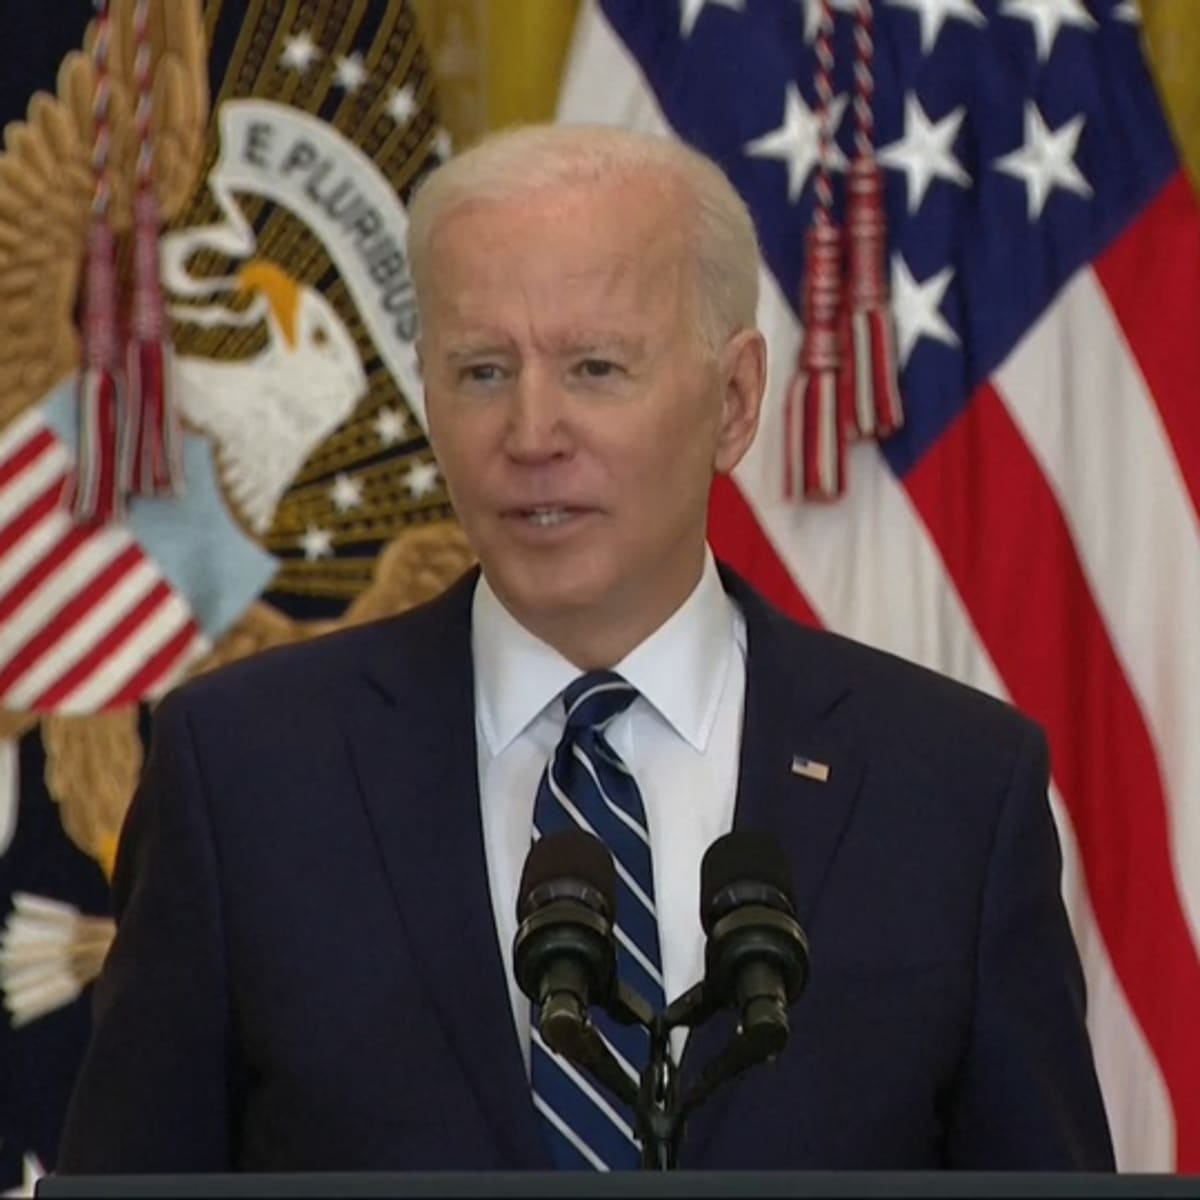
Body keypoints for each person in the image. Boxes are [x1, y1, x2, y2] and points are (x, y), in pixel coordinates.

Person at [57, 124, 1114, 1173]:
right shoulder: (243, 773)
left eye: (595, 367)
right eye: (479, 371)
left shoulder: (953, 791)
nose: (530, 433)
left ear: (735, 402)